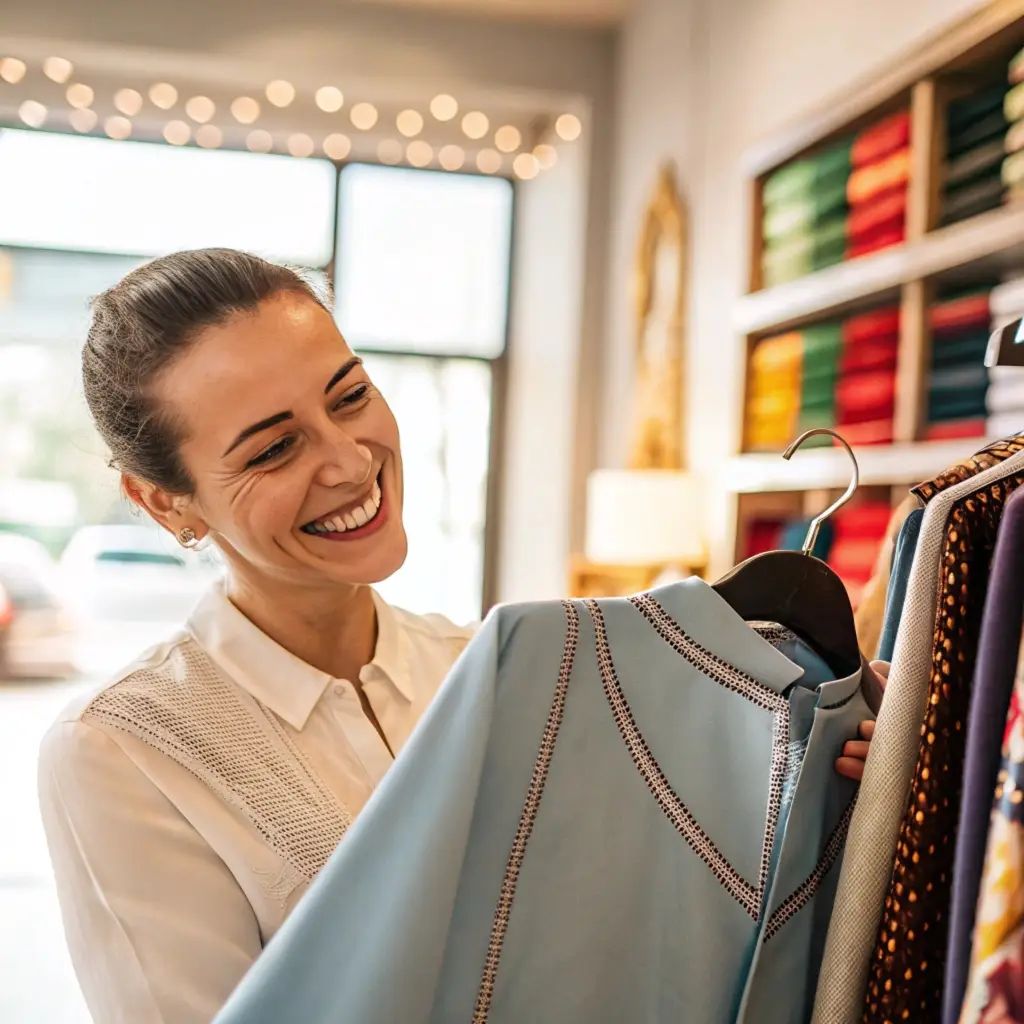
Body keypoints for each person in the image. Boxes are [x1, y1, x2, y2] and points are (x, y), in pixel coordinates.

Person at [37, 248, 878, 1024]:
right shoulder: (121, 755)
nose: (349, 460)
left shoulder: (516, 675)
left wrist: (860, 797)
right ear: (165, 501)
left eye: (350, 396)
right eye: (275, 448)